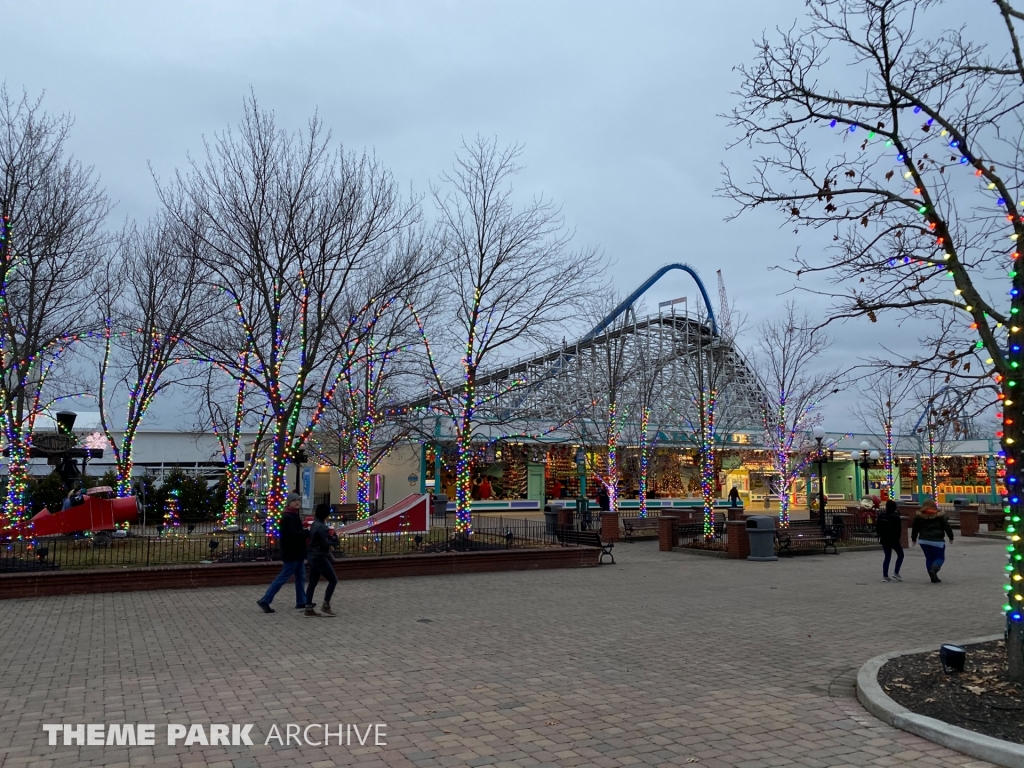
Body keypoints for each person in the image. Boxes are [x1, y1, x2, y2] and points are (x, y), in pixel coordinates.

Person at [257, 493, 309, 613]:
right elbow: (290, 535)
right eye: (294, 500)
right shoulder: (287, 517)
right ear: (289, 503)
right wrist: (306, 532)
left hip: (298, 552)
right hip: (292, 552)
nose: (297, 502)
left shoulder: (294, 516)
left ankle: (301, 601)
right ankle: (265, 600)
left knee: (301, 577)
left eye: (298, 500)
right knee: (283, 577)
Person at [303, 505, 338, 617]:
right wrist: (334, 541)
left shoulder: (314, 524)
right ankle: (326, 605)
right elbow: (324, 544)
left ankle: (308, 607)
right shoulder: (323, 527)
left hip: (312, 556)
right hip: (320, 557)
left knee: (312, 583)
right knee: (333, 580)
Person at [911, 498, 954, 583]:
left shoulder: (919, 516)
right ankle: (933, 571)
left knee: (929, 557)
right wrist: (951, 537)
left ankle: (932, 576)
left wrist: (913, 539)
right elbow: (947, 527)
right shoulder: (940, 516)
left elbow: (915, 528)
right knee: (939, 557)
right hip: (937, 540)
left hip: (923, 540)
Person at [875, 499, 904, 583]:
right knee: (900, 555)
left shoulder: (882, 516)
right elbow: (899, 529)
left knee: (887, 557)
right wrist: (898, 538)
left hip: (884, 538)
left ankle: (885, 576)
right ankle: (896, 572)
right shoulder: (895, 516)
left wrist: (879, 534)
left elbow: (877, 527)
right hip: (894, 539)